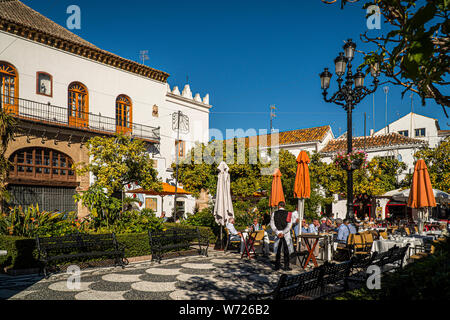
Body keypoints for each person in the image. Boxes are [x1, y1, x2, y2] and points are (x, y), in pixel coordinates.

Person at [270, 201, 294, 271]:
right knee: (286, 251)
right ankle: (286, 266)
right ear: (284, 206)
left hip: (278, 233)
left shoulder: (274, 213)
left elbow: (272, 224)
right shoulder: (289, 214)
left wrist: (277, 232)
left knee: (278, 250)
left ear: (278, 206)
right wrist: (283, 232)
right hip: (285, 234)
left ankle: (277, 266)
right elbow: (289, 225)